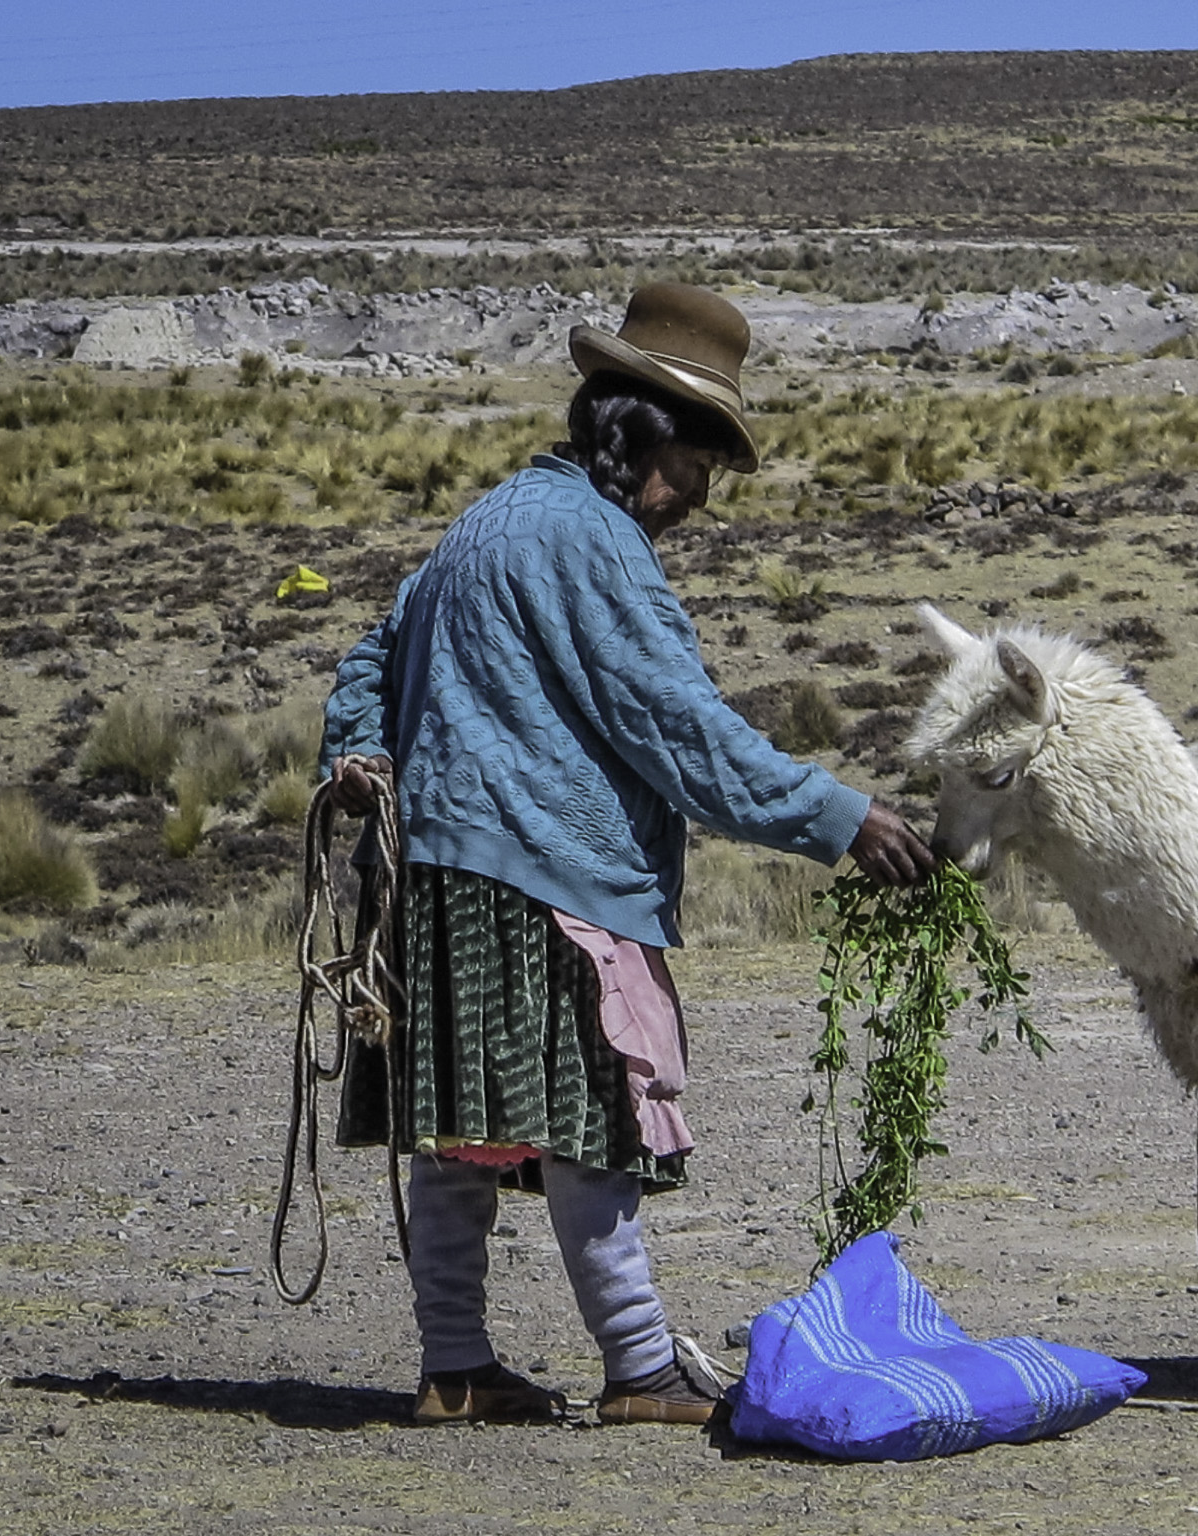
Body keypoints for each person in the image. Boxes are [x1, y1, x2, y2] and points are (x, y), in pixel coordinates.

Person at [320, 282, 935, 1427]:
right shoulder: (594, 547)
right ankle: (642, 1368)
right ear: (639, 434)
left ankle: (454, 1367)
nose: (700, 495)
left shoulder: (485, 521)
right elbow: (682, 733)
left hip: (439, 880)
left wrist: (359, 753)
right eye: (697, 462)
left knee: (460, 1134)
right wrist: (840, 817)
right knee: (592, 1122)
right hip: (540, 876)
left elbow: (369, 656)